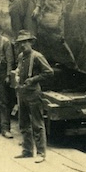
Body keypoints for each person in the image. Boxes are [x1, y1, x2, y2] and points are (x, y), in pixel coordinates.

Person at [12, 30, 54, 163]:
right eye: (20, 43)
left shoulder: (37, 57)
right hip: (22, 93)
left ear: (30, 42)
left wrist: (34, 79)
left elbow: (49, 72)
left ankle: (41, 153)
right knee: (23, 123)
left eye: (25, 42)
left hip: (33, 93)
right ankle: (27, 150)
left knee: (37, 123)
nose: (23, 45)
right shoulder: (20, 57)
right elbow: (18, 70)